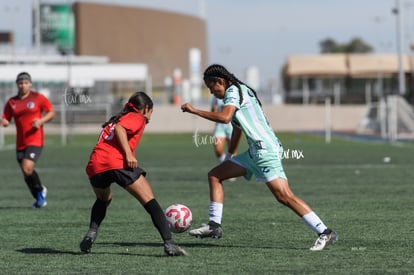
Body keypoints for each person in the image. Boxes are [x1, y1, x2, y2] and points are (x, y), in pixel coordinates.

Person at [181, 64, 337, 251]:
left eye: (211, 87)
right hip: (256, 152)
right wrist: (230, 155)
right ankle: (214, 227)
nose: (212, 92)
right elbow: (237, 127)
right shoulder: (239, 91)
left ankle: (324, 232)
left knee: (284, 196)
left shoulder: (233, 91)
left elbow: (225, 118)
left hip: (265, 151)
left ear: (220, 82)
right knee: (215, 175)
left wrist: (194, 111)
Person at [80, 91, 187, 256]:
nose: (150, 116)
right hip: (117, 162)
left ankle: (91, 233)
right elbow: (121, 128)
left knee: (103, 199)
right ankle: (169, 243)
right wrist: (128, 154)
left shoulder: (116, 118)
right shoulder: (136, 117)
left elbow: (115, 129)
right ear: (145, 109)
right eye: (151, 111)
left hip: (95, 166)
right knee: (150, 202)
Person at [1, 72, 55, 208]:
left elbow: (52, 112)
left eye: (25, 83)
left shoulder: (38, 98)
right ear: (17, 84)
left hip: (35, 140)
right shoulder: (12, 102)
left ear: (30, 84)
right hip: (20, 142)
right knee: (26, 173)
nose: (23, 85)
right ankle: (39, 194)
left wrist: (41, 121)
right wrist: (5, 121)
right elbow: (6, 118)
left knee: (27, 167)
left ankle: (40, 192)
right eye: (20, 83)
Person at [211, 97, 234, 164]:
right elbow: (212, 110)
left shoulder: (232, 94)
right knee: (218, 149)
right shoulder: (216, 96)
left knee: (232, 151)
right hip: (220, 125)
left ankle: (232, 166)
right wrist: (214, 109)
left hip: (231, 125)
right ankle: (224, 164)